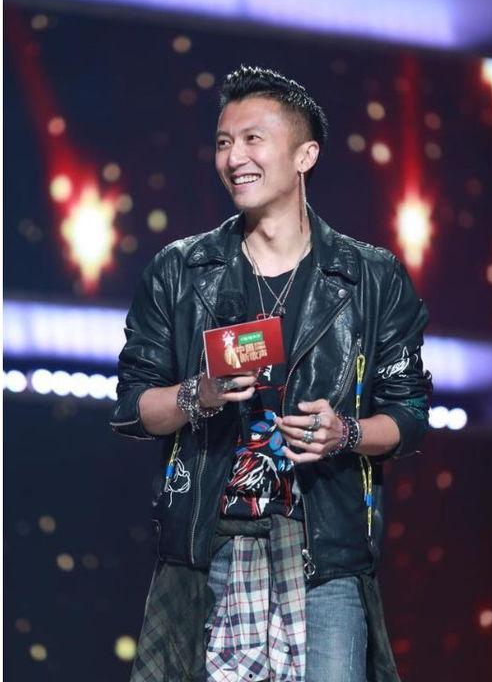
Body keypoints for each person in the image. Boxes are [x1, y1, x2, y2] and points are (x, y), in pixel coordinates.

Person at [111, 65, 432, 682]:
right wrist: (198, 393)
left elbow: (410, 414)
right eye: (223, 142)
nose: (234, 158)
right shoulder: (179, 272)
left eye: (253, 139)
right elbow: (132, 408)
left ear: (304, 155)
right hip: (210, 552)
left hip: (325, 558)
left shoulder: (370, 278)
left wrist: (346, 434)